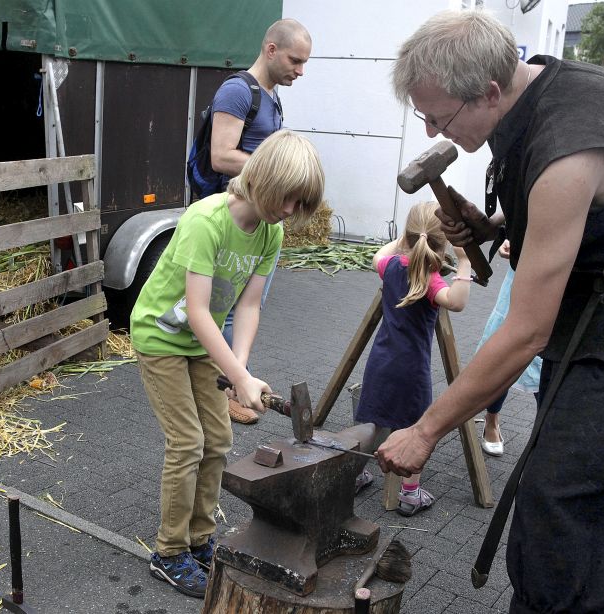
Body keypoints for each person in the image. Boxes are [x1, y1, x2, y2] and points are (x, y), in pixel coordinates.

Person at [375, 9, 604, 614]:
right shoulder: (532, 90)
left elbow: (525, 333)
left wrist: (425, 429)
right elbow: (579, 211)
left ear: (490, 91)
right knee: (553, 496)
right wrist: (494, 224)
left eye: (439, 117)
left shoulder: (569, 145)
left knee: (565, 506)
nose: (432, 129)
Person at [131, 130, 324, 599]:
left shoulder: (271, 232)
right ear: (264, 179)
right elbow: (198, 311)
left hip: (204, 345)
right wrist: (238, 376)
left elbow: (250, 305)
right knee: (188, 441)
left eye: (300, 203)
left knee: (218, 439)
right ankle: (169, 553)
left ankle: (199, 540)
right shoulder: (206, 221)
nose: (290, 210)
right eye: (288, 197)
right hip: (161, 337)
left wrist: (241, 370)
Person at [209, 17, 312, 425]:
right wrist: (277, 173)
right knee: (229, 308)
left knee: (249, 305)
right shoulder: (238, 91)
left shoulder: (270, 96)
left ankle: (233, 382)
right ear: (271, 50)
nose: (300, 71)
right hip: (236, 221)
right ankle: (229, 390)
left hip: (262, 220)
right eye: (295, 60)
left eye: (304, 63)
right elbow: (221, 155)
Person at [352, 201, 472, 516]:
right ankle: (409, 493)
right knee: (412, 428)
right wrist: (463, 261)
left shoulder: (391, 267)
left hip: (380, 362)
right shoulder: (430, 279)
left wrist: (403, 240)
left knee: (375, 421)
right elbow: (456, 302)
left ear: (407, 236)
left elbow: (377, 256)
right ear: (442, 245)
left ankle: (355, 474)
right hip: (411, 370)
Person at [475, 240, 541, 457]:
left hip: (566, 276)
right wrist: (513, 237)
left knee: (548, 360)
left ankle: (544, 431)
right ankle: (492, 419)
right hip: (522, 273)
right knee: (503, 353)